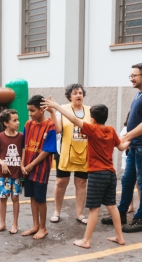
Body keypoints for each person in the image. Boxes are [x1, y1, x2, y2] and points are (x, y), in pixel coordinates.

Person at [43, 99, 128, 248]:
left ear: (93, 119)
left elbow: (73, 119)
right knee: (112, 206)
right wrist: (132, 140)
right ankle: (119, 237)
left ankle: (86, 240)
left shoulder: (92, 129)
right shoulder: (111, 130)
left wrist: (56, 106)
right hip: (110, 174)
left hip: (97, 174)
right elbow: (121, 147)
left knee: (94, 209)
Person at [102, 63, 142, 233]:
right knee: (127, 180)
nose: (131, 79)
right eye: (130, 76)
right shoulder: (139, 94)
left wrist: (128, 135)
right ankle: (120, 214)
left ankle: (141, 219)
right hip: (136, 146)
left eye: (134, 76)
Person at [50, 84, 90, 225]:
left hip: (84, 152)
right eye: (75, 93)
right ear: (69, 96)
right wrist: (53, 113)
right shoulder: (63, 109)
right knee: (61, 182)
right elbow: (58, 130)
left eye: (80, 92)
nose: (78, 95)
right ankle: (56, 211)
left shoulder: (90, 111)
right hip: (64, 152)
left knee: (81, 183)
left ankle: (80, 214)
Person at [21, 95, 57, 239]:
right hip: (28, 167)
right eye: (29, 111)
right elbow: (24, 145)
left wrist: (31, 165)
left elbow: (47, 150)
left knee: (40, 198)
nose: (30, 114)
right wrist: (23, 164)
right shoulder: (28, 124)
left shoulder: (50, 126)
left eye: (32, 110)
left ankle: (43, 227)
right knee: (32, 197)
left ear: (42, 109)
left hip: (40, 169)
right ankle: (35, 225)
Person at [0, 109, 23, 234]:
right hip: (3, 174)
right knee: (3, 198)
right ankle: (2, 224)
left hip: (16, 173)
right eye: (14, 120)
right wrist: (2, 162)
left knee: (15, 198)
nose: (18, 122)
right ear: (6, 123)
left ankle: (15, 224)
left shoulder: (21, 136)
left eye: (17, 120)